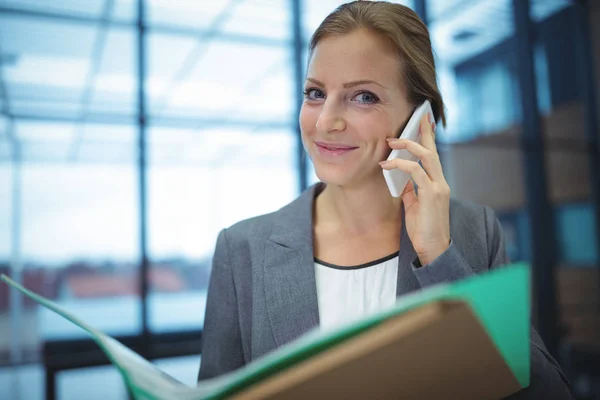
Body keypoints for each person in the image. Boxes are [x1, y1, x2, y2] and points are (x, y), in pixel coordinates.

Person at [198, 1, 573, 398]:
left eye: (363, 97)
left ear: (420, 118)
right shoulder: (241, 249)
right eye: (315, 93)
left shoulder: (472, 231)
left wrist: (440, 258)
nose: (326, 121)